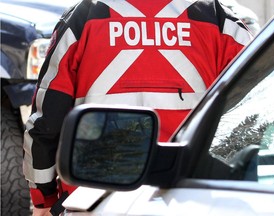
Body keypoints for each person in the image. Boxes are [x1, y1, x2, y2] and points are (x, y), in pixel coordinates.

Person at [23, 0, 253, 215]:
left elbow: (46, 121)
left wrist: (44, 198)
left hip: (94, 198)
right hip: (192, 196)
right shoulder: (219, 19)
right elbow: (257, 114)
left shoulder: (84, 16)